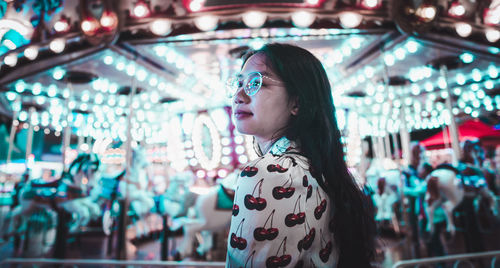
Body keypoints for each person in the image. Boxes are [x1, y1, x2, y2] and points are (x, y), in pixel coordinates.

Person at [225, 43, 376, 268]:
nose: (239, 96)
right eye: (239, 83)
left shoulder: (268, 173)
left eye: (257, 83)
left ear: (296, 102)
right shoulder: (315, 168)